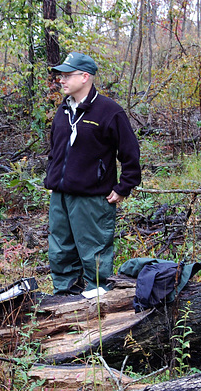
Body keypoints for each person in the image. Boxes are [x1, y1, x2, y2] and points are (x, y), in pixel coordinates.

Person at [44, 52, 141, 295]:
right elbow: (55, 149)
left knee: (94, 251)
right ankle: (64, 299)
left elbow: (130, 153)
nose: (61, 80)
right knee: (60, 250)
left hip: (92, 198)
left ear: (85, 76)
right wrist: (53, 175)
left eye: (67, 75)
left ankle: (97, 305)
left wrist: (123, 187)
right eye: (60, 76)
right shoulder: (64, 110)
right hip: (60, 196)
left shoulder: (109, 111)